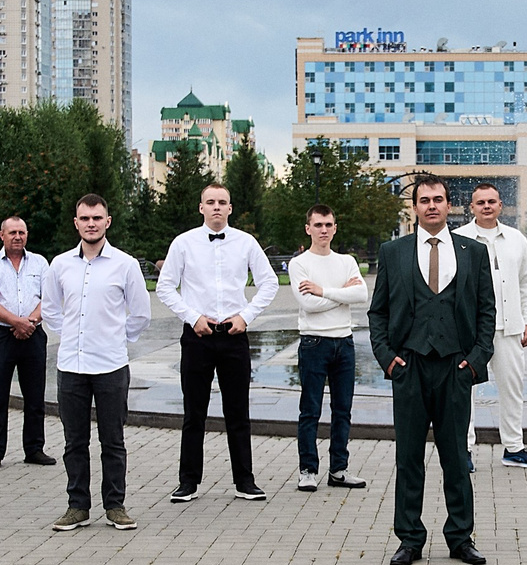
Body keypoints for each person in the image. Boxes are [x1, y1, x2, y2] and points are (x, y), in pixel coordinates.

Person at [367, 173, 496, 565]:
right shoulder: (393, 252)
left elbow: (487, 311)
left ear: (449, 204)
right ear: (416, 207)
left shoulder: (473, 252)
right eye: (425, 200)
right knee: (408, 457)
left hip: (455, 367)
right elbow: (378, 312)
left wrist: (475, 361)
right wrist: (388, 358)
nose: (432, 206)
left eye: (438, 199)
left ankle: (460, 537)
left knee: (456, 455)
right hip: (409, 365)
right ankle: (409, 538)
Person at [159, 183, 278, 503]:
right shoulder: (183, 243)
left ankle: (245, 481)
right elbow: (165, 287)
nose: (215, 207)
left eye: (221, 202)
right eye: (210, 202)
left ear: (230, 208)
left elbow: (269, 282)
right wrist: (192, 316)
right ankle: (188, 482)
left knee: (238, 412)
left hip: (234, 336)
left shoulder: (246, 242)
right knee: (193, 412)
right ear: (201, 208)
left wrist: (247, 316)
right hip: (197, 337)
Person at [45, 193, 153, 530]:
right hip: (71, 367)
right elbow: (50, 308)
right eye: (85, 219)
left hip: (110, 366)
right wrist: (76, 335)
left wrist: (113, 338)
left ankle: (115, 505)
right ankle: (77, 506)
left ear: (107, 222)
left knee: (113, 440)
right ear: (76, 223)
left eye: (97, 218)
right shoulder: (60, 264)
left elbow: (141, 314)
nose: (91, 224)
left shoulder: (125, 264)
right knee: (74, 441)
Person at [461, 180, 527, 469]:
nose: (486, 206)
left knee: (512, 389)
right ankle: (463, 450)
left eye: (491, 202)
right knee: (463, 393)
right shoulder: (459, 239)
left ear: (500, 205)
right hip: (469, 333)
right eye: (480, 202)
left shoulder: (516, 239)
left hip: (509, 328)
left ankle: (513, 448)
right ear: (471, 207)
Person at [288, 204, 369, 492]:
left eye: (329, 225)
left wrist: (324, 290)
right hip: (314, 342)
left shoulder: (346, 261)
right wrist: (341, 295)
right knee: (310, 409)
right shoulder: (299, 264)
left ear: (335, 228)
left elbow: (361, 294)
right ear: (308, 228)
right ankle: (308, 469)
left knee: (342, 410)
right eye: (318, 225)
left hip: (343, 342)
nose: (324, 230)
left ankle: (339, 469)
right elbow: (308, 304)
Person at [0, 217, 56, 470]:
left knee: (35, 394)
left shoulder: (40, 263)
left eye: (21, 232)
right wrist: (16, 322)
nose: (17, 237)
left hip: (33, 333)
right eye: (12, 232)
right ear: (2, 235)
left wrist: (29, 322)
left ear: (27, 235)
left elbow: (50, 297)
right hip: (1, 335)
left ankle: (34, 448)